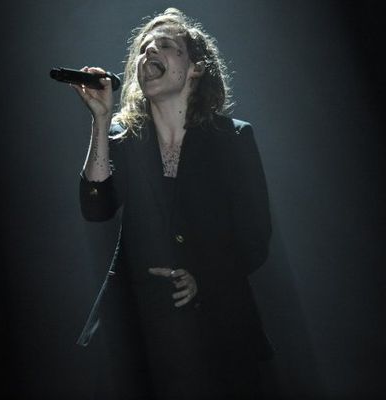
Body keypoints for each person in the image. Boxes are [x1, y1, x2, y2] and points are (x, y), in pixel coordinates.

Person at [72, 8, 273, 400]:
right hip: (138, 324)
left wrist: (202, 277)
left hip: (216, 322)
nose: (149, 53)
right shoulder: (124, 137)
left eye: (164, 46)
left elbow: (255, 237)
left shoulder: (232, 139)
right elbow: (96, 209)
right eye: (144, 49)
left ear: (195, 68)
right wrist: (100, 120)